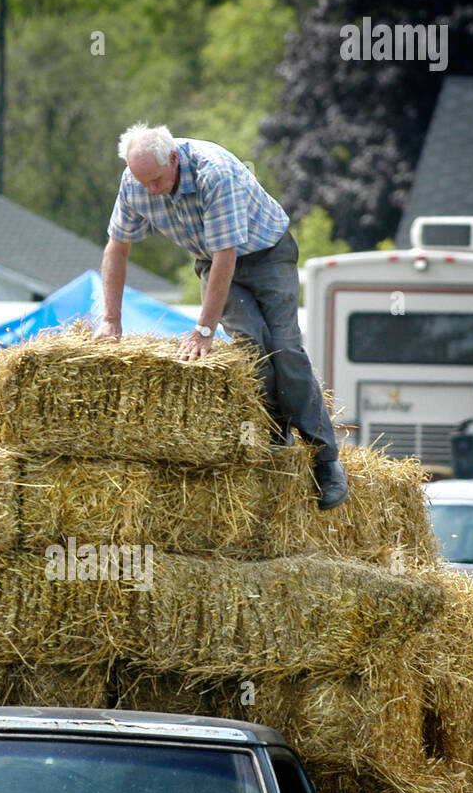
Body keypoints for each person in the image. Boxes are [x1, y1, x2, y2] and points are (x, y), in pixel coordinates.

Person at [97, 123, 349, 510]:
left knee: (284, 349)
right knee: (251, 350)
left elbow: (226, 256)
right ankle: (276, 437)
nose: (149, 188)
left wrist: (203, 330)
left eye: (156, 179)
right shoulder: (136, 180)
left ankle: (325, 459)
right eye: (141, 179)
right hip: (211, 261)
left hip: (267, 253)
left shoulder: (215, 172)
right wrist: (111, 319)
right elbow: (117, 247)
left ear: (175, 160)